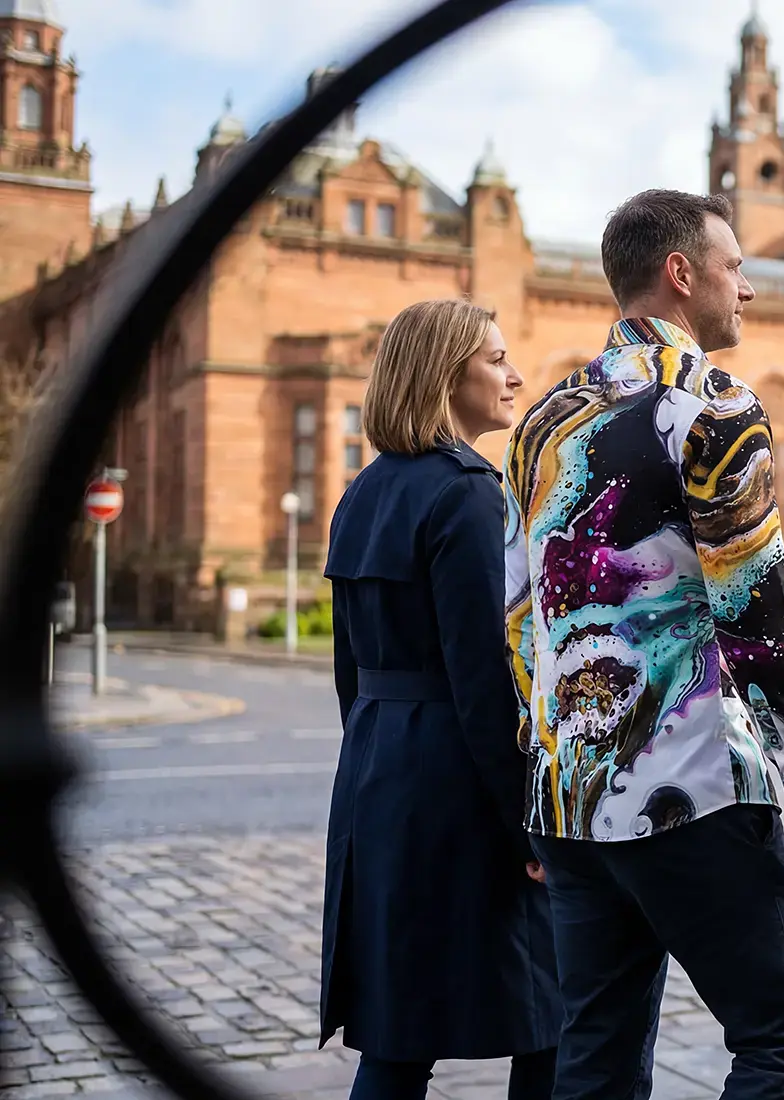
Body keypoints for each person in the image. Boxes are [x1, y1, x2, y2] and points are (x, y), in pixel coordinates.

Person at [503, 189, 784, 1100]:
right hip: (690, 786)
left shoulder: (542, 422)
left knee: (598, 1057)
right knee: (783, 1038)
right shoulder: (713, 404)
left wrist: (540, 780)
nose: (749, 289)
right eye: (736, 267)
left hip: (570, 799)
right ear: (682, 273)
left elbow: (519, 620)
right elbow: (757, 615)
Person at [320, 299, 560, 1100]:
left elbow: (349, 673)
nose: (515, 375)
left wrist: (378, 757)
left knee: (399, 1032)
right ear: (443, 376)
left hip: (378, 774)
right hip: (462, 786)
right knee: (553, 1016)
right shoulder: (469, 494)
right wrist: (527, 822)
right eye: (496, 359)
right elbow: (485, 678)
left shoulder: (361, 493)